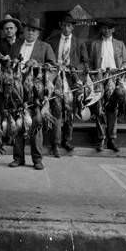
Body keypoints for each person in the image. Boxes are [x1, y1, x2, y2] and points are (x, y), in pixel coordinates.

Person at [9, 16, 56, 170]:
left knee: (36, 125)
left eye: (34, 30)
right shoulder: (16, 45)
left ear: (38, 33)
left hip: (36, 91)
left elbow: (53, 67)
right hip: (18, 90)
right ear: (24, 31)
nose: (30, 33)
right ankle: (18, 158)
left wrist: (38, 65)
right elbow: (9, 65)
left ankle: (37, 159)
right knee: (18, 124)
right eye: (28, 29)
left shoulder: (45, 47)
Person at [47, 14, 89, 155]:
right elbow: (46, 59)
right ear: (60, 25)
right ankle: (55, 144)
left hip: (71, 80)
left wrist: (75, 67)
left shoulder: (79, 43)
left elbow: (85, 62)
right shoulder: (52, 41)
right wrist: (53, 66)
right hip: (56, 79)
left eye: (69, 25)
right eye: (64, 25)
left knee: (70, 111)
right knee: (57, 110)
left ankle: (67, 140)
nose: (66, 28)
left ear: (73, 27)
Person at [89, 18, 126, 152]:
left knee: (112, 109)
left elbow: (125, 63)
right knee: (99, 109)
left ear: (113, 30)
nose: (106, 30)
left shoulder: (120, 44)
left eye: (108, 28)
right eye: (104, 28)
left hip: (114, 77)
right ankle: (101, 139)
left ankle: (111, 139)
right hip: (99, 78)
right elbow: (89, 63)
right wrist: (94, 72)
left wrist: (122, 68)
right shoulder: (95, 44)